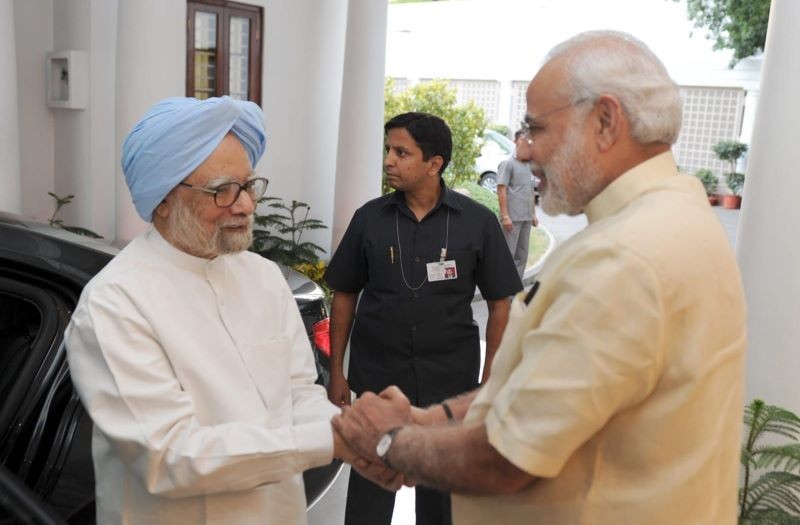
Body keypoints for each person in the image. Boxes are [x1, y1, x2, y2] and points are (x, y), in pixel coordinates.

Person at [333, 31, 747, 525]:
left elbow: (505, 459)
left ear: (605, 121)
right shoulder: (680, 213)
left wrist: (388, 442)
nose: (525, 152)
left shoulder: (623, 259)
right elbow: (544, 390)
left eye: (535, 128)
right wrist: (431, 419)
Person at [64, 96, 385, 525]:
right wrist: (335, 440)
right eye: (222, 190)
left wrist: (354, 434)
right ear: (163, 199)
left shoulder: (265, 278)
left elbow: (299, 393)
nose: (246, 205)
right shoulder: (115, 303)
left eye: (248, 186)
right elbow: (169, 457)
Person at [325, 112, 522, 524]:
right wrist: (337, 371)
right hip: (378, 377)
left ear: (434, 164)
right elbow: (344, 294)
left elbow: (500, 303)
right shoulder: (369, 219)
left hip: (448, 381)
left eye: (401, 153)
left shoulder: (477, 222)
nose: (388, 161)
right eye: (388, 150)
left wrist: (490, 377)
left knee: (441, 498)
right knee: (369, 490)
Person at [497, 129, 539, 280]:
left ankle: (516, 286)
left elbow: (531, 191)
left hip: (526, 217)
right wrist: (505, 216)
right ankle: (503, 287)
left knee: (522, 255)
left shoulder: (528, 166)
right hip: (512, 219)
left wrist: (533, 214)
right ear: (515, 142)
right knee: (508, 255)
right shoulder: (508, 164)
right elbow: (501, 189)